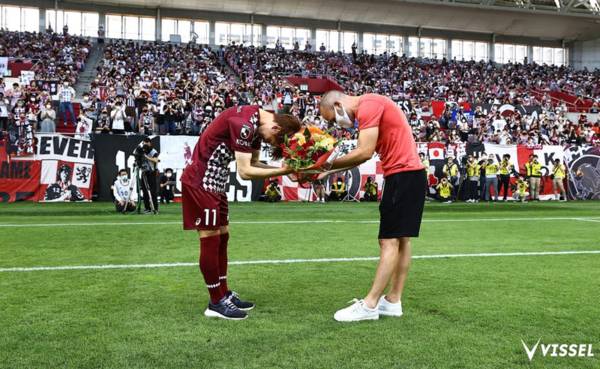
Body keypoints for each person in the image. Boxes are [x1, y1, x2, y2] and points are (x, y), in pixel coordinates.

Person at [313, 90, 426, 322]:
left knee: (388, 241)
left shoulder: (369, 105)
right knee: (401, 240)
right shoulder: (372, 106)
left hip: (403, 175)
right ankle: (393, 301)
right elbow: (366, 151)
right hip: (409, 175)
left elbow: (364, 152)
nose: (338, 124)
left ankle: (370, 304)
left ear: (337, 104)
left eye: (333, 119)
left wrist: (323, 166)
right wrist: (325, 172)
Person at [181, 105, 300, 320]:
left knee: (223, 236)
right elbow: (245, 172)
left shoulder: (255, 126)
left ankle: (223, 293)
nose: (268, 143)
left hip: (215, 183)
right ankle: (215, 302)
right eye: (273, 140)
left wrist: (287, 172)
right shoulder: (244, 124)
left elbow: (254, 163)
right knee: (210, 238)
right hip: (201, 181)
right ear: (275, 127)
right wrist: (284, 171)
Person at [136, 138, 160, 214]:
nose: (145, 144)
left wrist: (146, 156)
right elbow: (136, 153)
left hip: (152, 172)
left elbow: (156, 160)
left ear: (150, 143)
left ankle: (155, 208)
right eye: (144, 143)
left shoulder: (154, 151)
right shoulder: (142, 150)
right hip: (144, 172)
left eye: (147, 143)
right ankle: (147, 208)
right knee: (145, 191)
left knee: (152, 191)